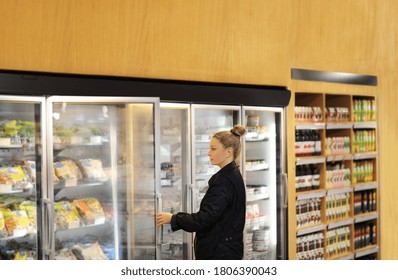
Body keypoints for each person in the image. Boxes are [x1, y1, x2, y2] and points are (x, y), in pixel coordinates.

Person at [156, 125, 246, 260]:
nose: (209, 153)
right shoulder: (233, 174)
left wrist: (173, 219)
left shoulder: (224, 181)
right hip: (228, 249)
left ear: (228, 152)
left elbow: (204, 219)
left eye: (213, 149)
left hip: (219, 253)